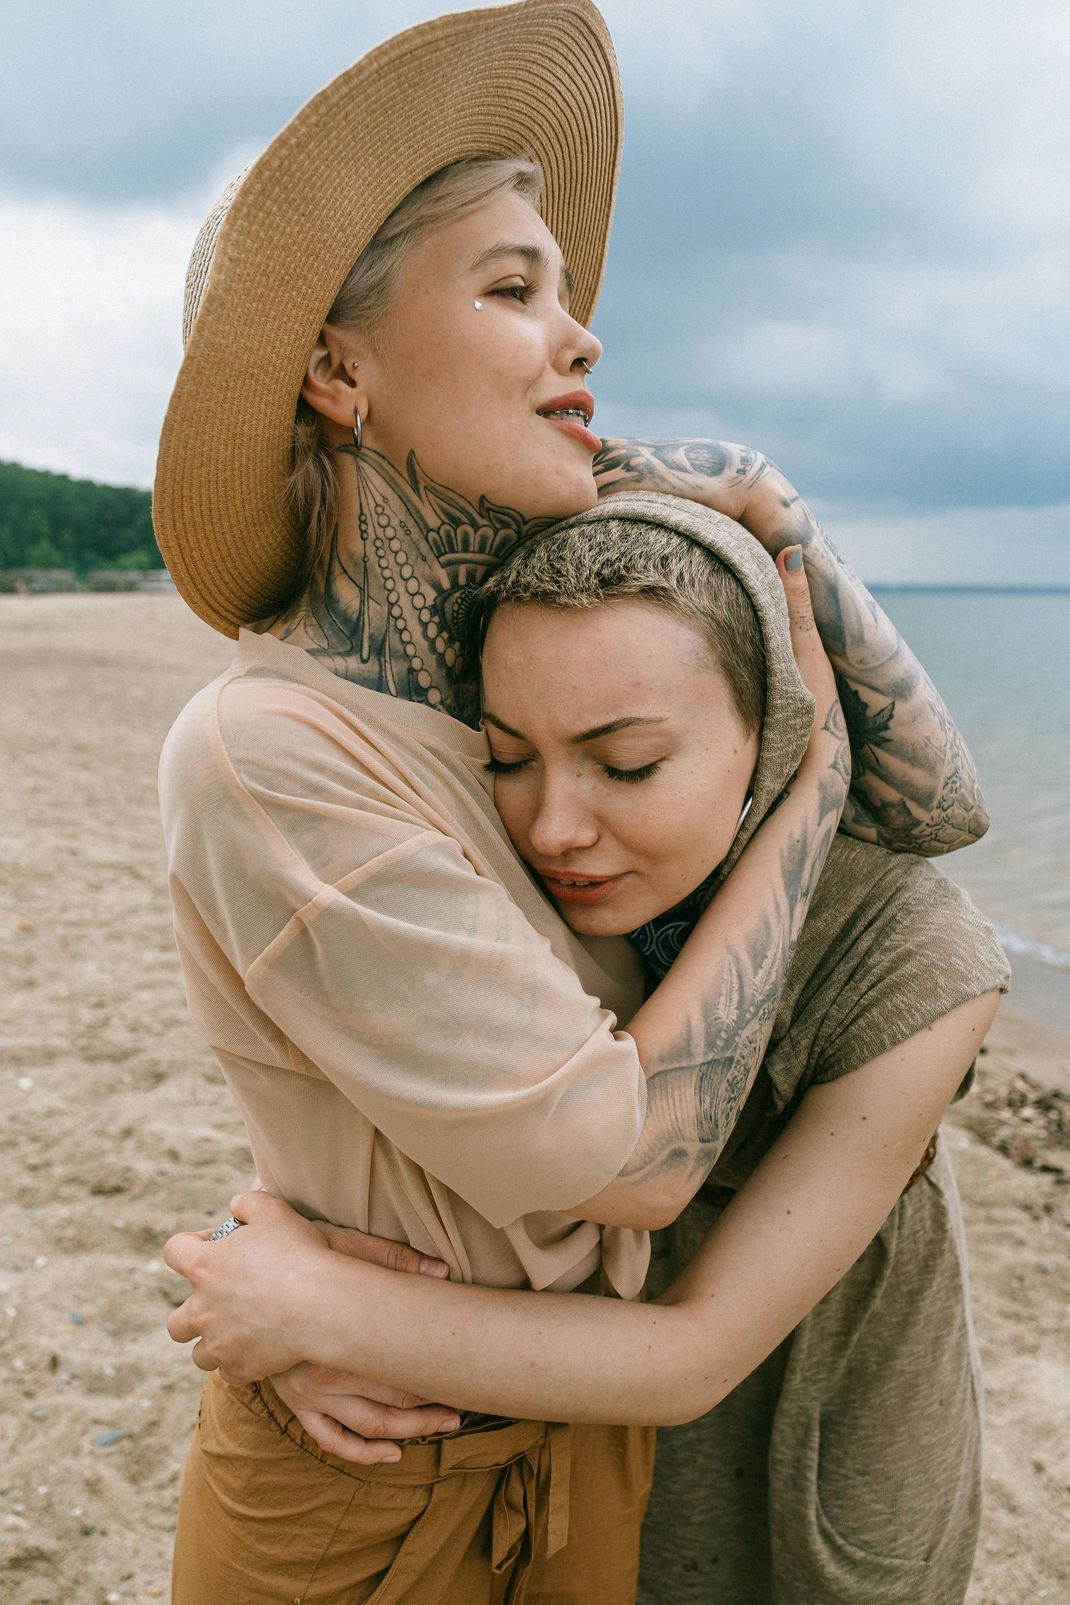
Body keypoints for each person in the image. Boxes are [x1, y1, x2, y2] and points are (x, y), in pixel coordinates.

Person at [153, 2, 995, 1599]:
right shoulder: (266, 744)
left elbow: (940, 810)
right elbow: (625, 1157)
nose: (582, 332)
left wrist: (759, 500)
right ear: (336, 364)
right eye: (512, 286)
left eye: (564, 290)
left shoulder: (495, 669)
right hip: (369, 1474)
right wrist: (805, 783)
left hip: (572, 1439)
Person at [166, 499, 1008, 1604]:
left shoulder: (911, 957)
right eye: (508, 757)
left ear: (775, 733)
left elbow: (694, 1352)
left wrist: (322, 1312)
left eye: (627, 766)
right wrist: (249, 1243)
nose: (557, 824)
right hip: (586, 1462)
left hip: (819, 1455)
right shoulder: (532, 891)